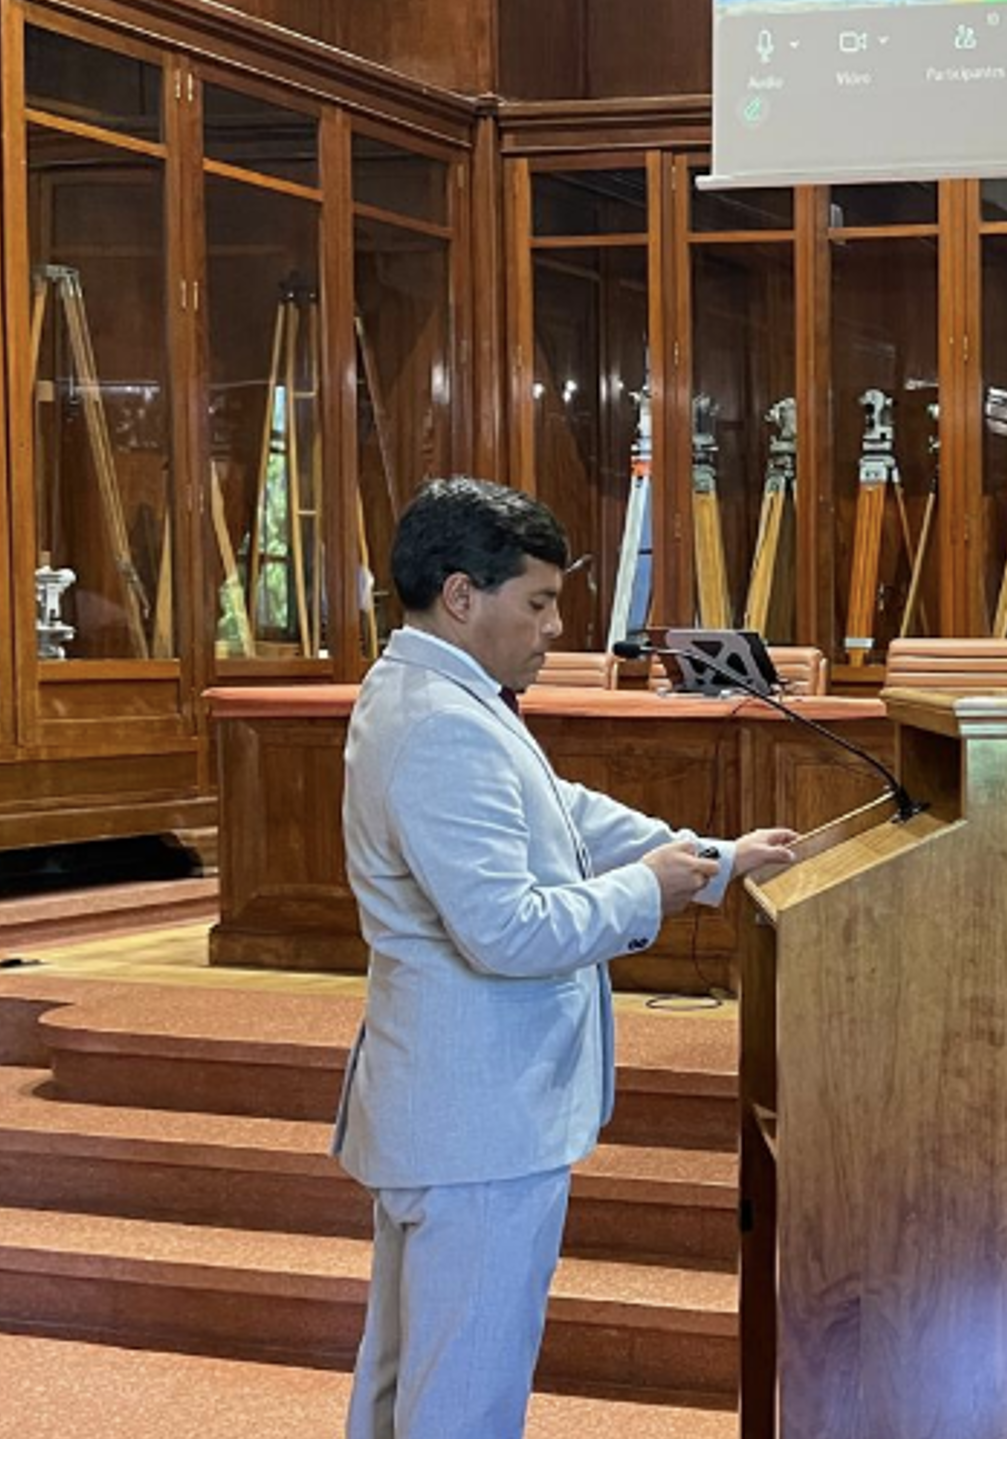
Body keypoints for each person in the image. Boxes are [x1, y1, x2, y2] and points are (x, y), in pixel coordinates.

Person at [335, 478, 800, 1438]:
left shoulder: (442, 693)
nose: (555, 629)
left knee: (412, 1383)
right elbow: (506, 929)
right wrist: (655, 889)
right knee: (462, 1396)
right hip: (478, 1123)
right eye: (538, 604)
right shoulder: (440, 722)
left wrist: (712, 859)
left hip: (458, 1109)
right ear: (463, 596)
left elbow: (561, 812)